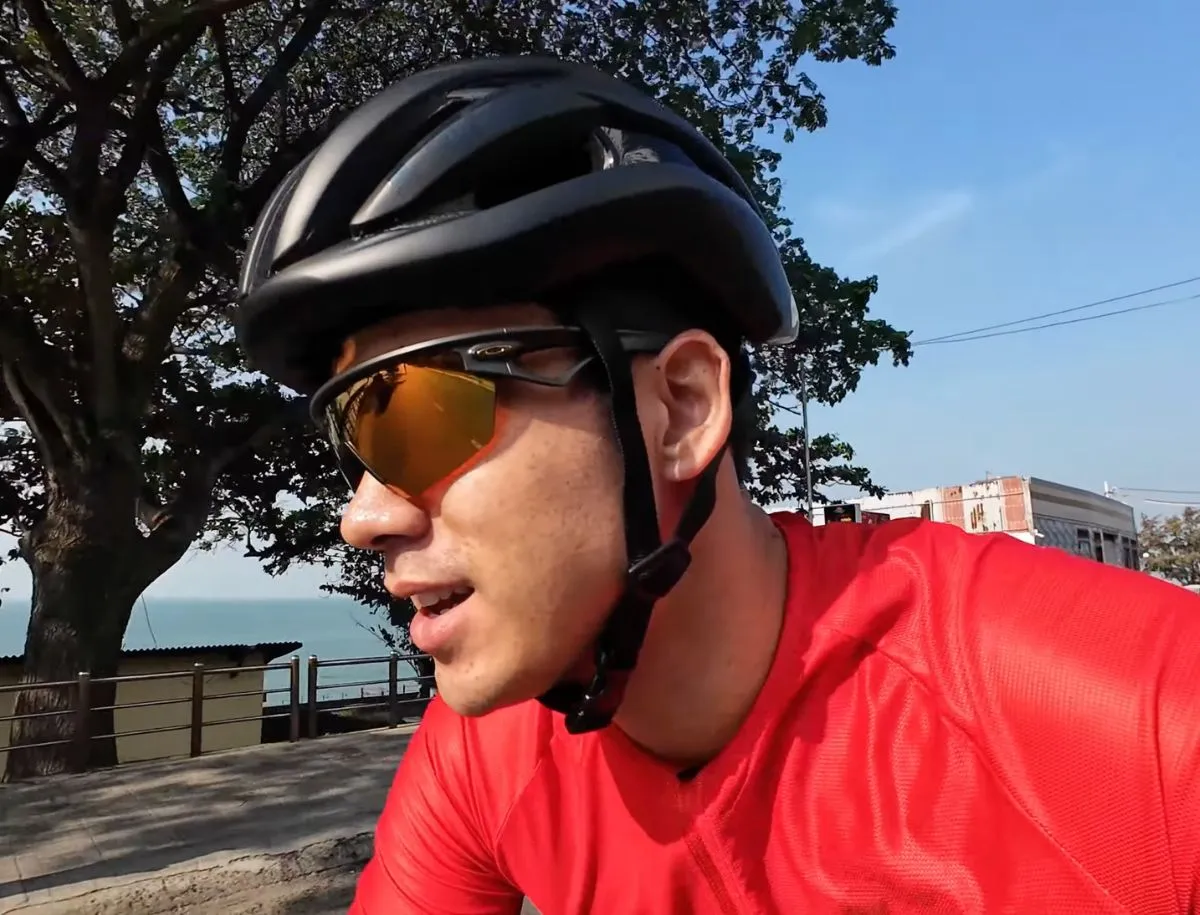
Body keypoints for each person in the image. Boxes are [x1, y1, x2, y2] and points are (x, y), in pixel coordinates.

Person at [235, 56, 1200, 915]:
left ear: (682, 408)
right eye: (352, 437)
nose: (363, 516)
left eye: (415, 413)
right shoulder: (484, 751)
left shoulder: (1134, 720)